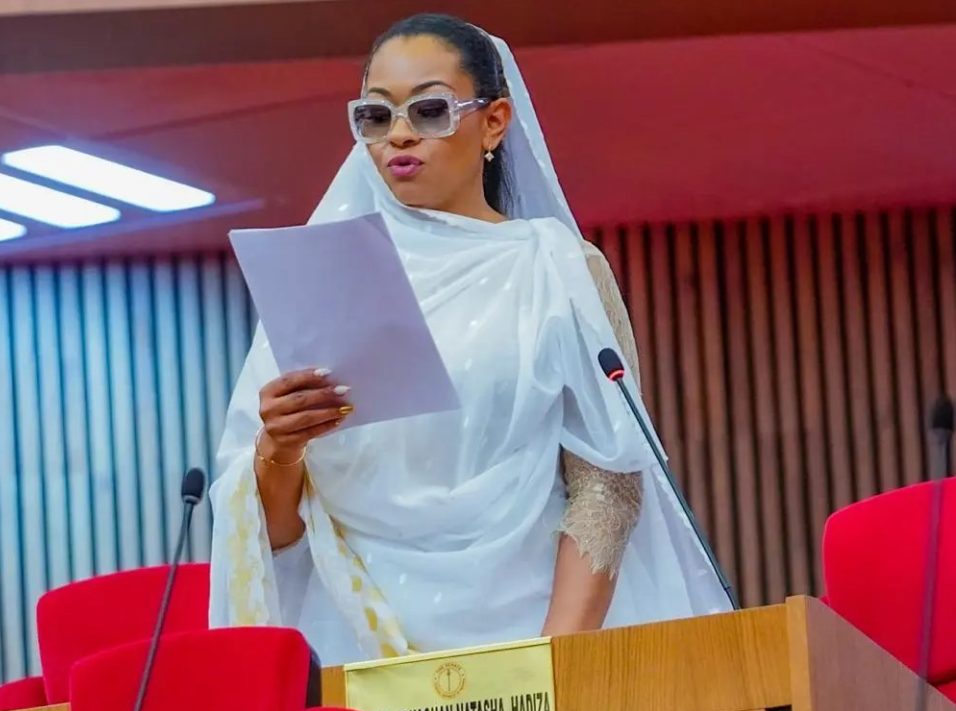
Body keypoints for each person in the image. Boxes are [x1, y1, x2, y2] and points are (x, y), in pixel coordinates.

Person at [209, 13, 730, 665]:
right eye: (375, 116)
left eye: (428, 110)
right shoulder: (327, 280)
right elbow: (282, 537)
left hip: (534, 639)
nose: (399, 133)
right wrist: (278, 450)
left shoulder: (555, 267)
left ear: (494, 121)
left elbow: (607, 485)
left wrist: (549, 670)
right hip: (362, 644)